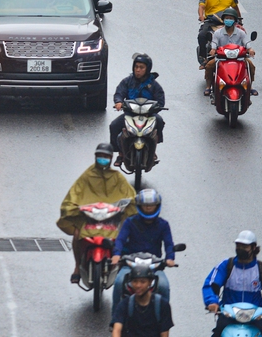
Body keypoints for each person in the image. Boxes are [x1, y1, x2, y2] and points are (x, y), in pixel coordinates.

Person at [57, 143, 136, 284]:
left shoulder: (117, 177)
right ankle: (77, 266)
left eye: (106, 156)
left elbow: (131, 196)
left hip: (112, 217)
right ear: (95, 157)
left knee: (126, 233)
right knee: (77, 234)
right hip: (89, 217)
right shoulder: (87, 176)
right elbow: (74, 195)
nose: (102, 158)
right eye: (100, 156)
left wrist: (129, 206)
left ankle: (120, 262)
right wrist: (73, 208)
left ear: (111, 158)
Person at [111, 189, 176, 315]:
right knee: (119, 283)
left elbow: (169, 244)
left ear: (157, 206)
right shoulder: (130, 222)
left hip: (154, 265)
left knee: (163, 286)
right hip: (130, 264)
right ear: (139, 206)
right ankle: (115, 318)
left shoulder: (163, 225)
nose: (148, 208)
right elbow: (120, 239)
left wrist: (170, 258)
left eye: (151, 206)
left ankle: (164, 320)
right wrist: (116, 254)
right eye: (145, 206)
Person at [203, 230, 262, 337]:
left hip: (255, 317)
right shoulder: (226, 265)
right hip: (229, 315)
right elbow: (211, 284)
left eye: (245, 246)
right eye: (238, 245)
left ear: (253, 248)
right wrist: (212, 301)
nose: (241, 249)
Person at [110, 53, 165, 166]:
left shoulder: (154, 85)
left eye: (141, 67)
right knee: (114, 125)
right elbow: (119, 93)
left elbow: (160, 100)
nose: (138, 70)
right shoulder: (127, 81)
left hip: (148, 115)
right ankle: (120, 153)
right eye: (136, 67)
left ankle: (153, 150)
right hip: (130, 114)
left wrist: (156, 107)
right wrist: (118, 102)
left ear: (147, 69)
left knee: (159, 121)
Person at [203, 7, 256, 96]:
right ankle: (208, 86)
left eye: (231, 18)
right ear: (223, 20)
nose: (228, 20)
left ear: (234, 20)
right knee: (209, 66)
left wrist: (250, 49)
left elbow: (246, 43)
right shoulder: (218, 33)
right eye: (227, 18)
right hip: (222, 58)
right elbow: (214, 44)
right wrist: (213, 50)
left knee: (251, 66)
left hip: (239, 58)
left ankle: (250, 87)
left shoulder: (241, 33)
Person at [111, 263, 174, 337]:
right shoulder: (124, 304)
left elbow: (164, 334)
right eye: (135, 281)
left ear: (150, 282)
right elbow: (116, 330)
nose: (138, 285)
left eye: (142, 282)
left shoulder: (162, 305)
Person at [197, 0, 241, 64]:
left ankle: (241, 55)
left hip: (227, 21)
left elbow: (236, 8)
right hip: (211, 21)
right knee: (201, 35)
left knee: (240, 33)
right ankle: (203, 57)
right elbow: (201, 7)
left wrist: (239, 19)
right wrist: (201, 16)